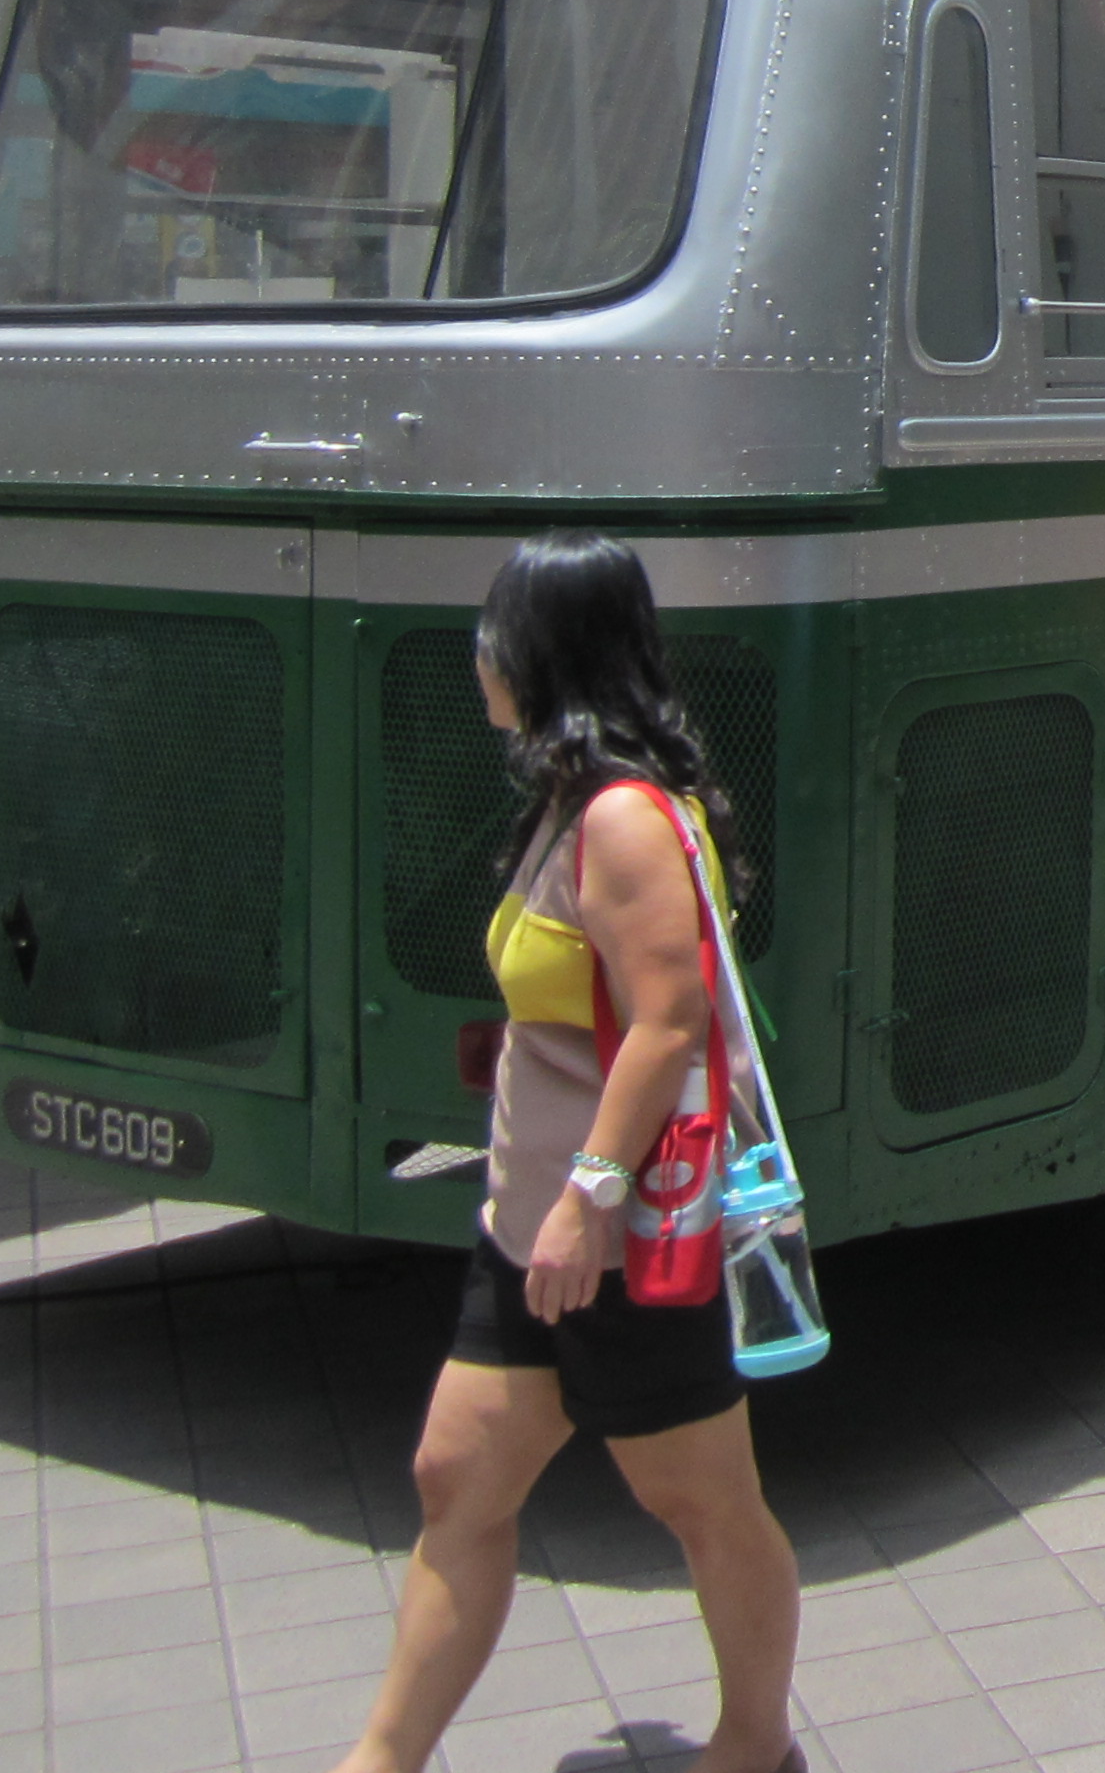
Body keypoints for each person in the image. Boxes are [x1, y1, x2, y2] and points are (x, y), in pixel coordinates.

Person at [333, 535, 800, 1773]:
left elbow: (669, 1020)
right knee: (455, 1480)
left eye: (496, 629)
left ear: (548, 653)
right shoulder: (563, 805)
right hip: (530, 1227)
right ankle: (380, 1759)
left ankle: (756, 1745)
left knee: (700, 1502)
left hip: (623, 1232)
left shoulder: (627, 819)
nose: (478, 654)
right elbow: (591, 999)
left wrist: (593, 1191)